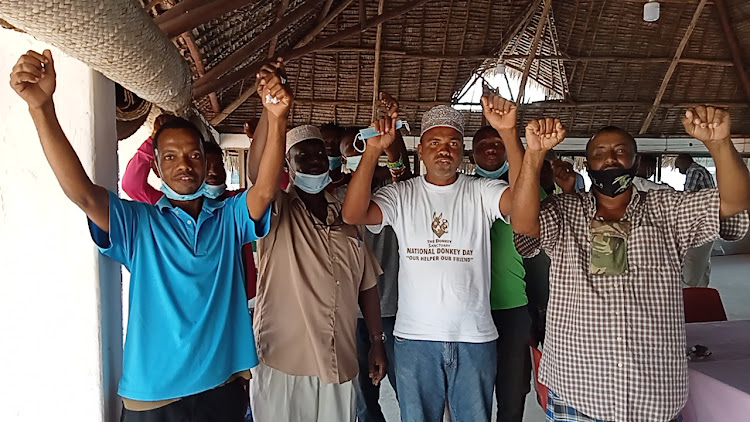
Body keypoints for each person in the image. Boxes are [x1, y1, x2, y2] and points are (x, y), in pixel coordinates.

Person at [9, 49, 290, 421]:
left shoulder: (227, 219)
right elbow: (82, 192)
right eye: (170, 157)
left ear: (207, 163)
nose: (184, 165)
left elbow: (265, 190)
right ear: (155, 166)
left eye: (192, 155)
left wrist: (277, 119)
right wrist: (41, 109)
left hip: (221, 388)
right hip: (154, 399)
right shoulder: (138, 224)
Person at [511, 108, 750, 422]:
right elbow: (524, 223)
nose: (610, 158)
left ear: (637, 162)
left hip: (652, 393)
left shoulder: (667, 208)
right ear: (588, 164)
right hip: (579, 389)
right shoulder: (564, 210)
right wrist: (534, 155)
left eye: (621, 151)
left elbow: (735, 202)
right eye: (600, 152)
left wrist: (720, 144)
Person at [342, 95, 523, 422]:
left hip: (475, 338)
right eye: (435, 142)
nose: (444, 149)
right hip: (415, 339)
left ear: (462, 151)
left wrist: (510, 134)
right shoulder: (401, 194)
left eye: (453, 142)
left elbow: (521, 205)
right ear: (421, 151)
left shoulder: (482, 191)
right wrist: (372, 151)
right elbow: (354, 212)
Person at [247, 121, 387, 422]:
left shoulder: (348, 217)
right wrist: (272, 115)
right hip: (284, 361)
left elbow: (366, 285)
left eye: (320, 153)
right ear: (287, 163)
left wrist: (376, 341)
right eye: (303, 154)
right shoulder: (276, 210)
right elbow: (258, 175)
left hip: (340, 360)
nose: (314, 159)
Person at [121, 122, 261, 301]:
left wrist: (258, 139)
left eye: (217, 166)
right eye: (207, 166)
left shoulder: (237, 203)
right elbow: (131, 184)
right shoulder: (168, 206)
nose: (212, 172)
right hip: (188, 300)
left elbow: (270, 189)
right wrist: (153, 141)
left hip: (240, 296)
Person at [338, 92, 412, 422]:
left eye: (364, 146)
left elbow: (402, 170)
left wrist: (390, 140)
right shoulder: (336, 197)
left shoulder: (397, 192)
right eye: (349, 153)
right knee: (362, 401)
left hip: (397, 308)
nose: (359, 156)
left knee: (408, 391)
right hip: (352, 313)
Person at [471, 108, 538, 422]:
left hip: (513, 305)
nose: (490, 147)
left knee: (512, 395)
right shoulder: (462, 190)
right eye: (482, 143)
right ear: (472, 154)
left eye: (497, 142)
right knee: (472, 392)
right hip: (470, 307)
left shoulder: (525, 192)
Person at [676, 152, 717, 286]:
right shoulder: (702, 170)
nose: (678, 170)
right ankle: (703, 289)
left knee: (692, 259)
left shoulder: (694, 171)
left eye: (678, 166)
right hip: (709, 219)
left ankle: (690, 290)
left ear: (684, 161)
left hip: (699, 220)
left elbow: (688, 195)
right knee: (704, 259)